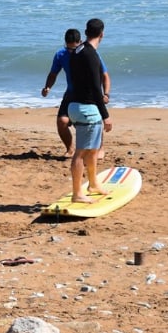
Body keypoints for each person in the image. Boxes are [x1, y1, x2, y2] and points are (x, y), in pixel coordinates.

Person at [66, 18, 111, 204]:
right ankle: (77, 194)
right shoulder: (91, 55)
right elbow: (95, 87)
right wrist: (106, 115)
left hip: (74, 105)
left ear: (86, 32)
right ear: (102, 34)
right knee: (81, 152)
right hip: (87, 109)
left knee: (92, 150)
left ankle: (93, 184)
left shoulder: (77, 50)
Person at [41, 28, 82, 156]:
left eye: (74, 49)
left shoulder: (88, 54)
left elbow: (103, 74)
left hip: (87, 94)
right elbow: (53, 73)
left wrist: (104, 93)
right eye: (68, 48)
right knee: (61, 122)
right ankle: (70, 148)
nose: (71, 51)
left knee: (84, 126)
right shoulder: (61, 54)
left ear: (80, 42)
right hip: (70, 94)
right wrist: (47, 87)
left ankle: (96, 149)